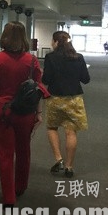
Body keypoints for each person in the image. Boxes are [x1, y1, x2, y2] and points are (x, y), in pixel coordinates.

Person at [0, 21, 49, 207]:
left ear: (4, 36)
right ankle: (20, 186)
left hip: (3, 110)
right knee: (23, 150)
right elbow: (37, 89)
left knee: (5, 154)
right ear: (23, 37)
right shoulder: (32, 61)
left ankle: (8, 197)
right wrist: (38, 113)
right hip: (25, 112)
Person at [42, 30, 90, 178]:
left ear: (56, 42)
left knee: (52, 127)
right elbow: (86, 79)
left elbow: (46, 80)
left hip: (55, 98)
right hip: (74, 100)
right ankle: (69, 167)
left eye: (52, 41)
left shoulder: (50, 57)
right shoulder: (78, 57)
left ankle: (59, 159)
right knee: (71, 132)